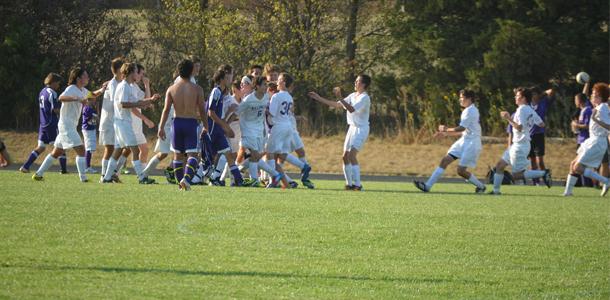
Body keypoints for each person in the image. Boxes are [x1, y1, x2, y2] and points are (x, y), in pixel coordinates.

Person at [33, 67, 107, 182]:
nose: (88, 78)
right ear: (78, 78)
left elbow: (92, 95)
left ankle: (38, 174)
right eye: (85, 76)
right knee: (81, 150)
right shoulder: (72, 88)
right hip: (66, 125)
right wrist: (77, 98)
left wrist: (102, 90)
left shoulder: (82, 90)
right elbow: (61, 97)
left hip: (69, 125)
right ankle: (83, 179)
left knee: (56, 152)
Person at [414, 89, 486, 193]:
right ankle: (427, 186)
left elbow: (461, 128)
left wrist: (445, 129)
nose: (460, 99)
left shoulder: (470, 111)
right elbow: (464, 131)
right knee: (445, 160)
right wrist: (445, 134)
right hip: (464, 141)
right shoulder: (468, 110)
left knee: (461, 171)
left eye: (462, 97)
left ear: (469, 98)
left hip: (472, 143)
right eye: (460, 97)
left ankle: (481, 186)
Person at [308, 74, 372, 191]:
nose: (355, 83)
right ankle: (349, 184)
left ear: (363, 84)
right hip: (352, 128)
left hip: (361, 129)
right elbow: (337, 105)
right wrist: (318, 98)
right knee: (345, 156)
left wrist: (340, 97)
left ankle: (358, 185)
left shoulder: (365, 98)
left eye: (357, 81)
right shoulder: (353, 95)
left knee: (352, 155)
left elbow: (351, 109)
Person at [101, 63, 159, 184]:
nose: (138, 75)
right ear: (131, 72)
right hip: (123, 123)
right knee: (135, 150)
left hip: (121, 122)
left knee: (118, 150)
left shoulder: (129, 86)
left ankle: (106, 178)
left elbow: (135, 101)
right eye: (137, 72)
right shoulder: (124, 86)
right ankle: (142, 178)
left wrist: (150, 99)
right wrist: (140, 104)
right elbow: (124, 104)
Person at [489, 87, 551, 195]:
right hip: (517, 145)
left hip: (520, 145)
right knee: (499, 166)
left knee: (517, 175)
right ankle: (496, 191)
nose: (515, 97)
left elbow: (520, 128)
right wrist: (529, 124)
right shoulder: (530, 109)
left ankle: (543, 173)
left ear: (523, 98)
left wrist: (508, 118)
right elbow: (542, 124)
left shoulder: (522, 110)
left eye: (517, 96)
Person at [158, 59, 206, 190]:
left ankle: (180, 183)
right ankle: (186, 179)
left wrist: (161, 127)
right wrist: (206, 126)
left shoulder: (171, 89)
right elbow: (202, 110)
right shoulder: (197, 89)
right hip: (191, 123)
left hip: (176, 123)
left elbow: (166, 109)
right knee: (193, 154)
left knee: (177, 155)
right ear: (191, 71)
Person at [564, 83, 610, 196]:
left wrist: (595, 119)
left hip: (598, 141)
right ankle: (568, 192)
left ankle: (606, 181)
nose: (592, 96)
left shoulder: (603, 108)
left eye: (594, 94)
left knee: (578, 167)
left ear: (600, 96)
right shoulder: (598, 107)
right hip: (591, 140)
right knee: (573, 164)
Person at [237, 76, 284, 187]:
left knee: (255, 157)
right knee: (254, 155)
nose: (265, 87)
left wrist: (264, 128)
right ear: (257, 86)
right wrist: (226, 124)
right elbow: (237, 112)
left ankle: (239, 171)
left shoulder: (266, 97)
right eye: (263, 84)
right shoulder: (248, 100)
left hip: (259, 131)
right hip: (248, 131)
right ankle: (255, 178)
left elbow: (263, 113)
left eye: (266, 85)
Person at [19, 73, 67, 174]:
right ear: (53, 82)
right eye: (58, 83)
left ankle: (25, 166)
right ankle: (63, 170)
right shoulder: (52, 93)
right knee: (61, 146)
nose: (58, 86)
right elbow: (55, 109)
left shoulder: (42, 91)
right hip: (52, 123)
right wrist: (64, 114)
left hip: (43, 124)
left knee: (41, 147)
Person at [207, 67, 243, 186]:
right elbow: (210, 113)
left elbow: (219, 114)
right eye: (227, 77)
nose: (229, 80)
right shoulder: (216, 91)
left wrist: (225, 126)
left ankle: (238, 180)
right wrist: (225, 126)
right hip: (213, 130)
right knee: (208, 159)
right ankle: (194, 179)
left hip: (218, 130)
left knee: (228, 154)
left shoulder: (221, 93)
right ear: (222, 79)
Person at [98, 57, 124, 181]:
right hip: (109, 122)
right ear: (119, 69)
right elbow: (116, 101)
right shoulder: (113, 83)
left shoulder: (119, 82)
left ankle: (111, 174)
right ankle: (104, 175)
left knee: (117, 149)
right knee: (110, 149)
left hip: (116, 121)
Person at [528, 86, 555, 185]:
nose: (533, 96)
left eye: (535, 94)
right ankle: (536, 183)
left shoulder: (543, 103)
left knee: (540, 161)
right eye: (532, 94)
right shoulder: (527, 105)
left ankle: (546, 179)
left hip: (539, 135)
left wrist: (541, 94)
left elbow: (551, 91)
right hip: (529, 136)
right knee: (532, 161)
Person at [130, 64, 155, 164]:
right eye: (141, 74)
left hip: (137, 126)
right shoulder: (129, 87)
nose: (142, 76)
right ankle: (112, 173)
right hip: (130, 125)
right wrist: (146, 119)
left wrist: (147, 86)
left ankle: (142, 175)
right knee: (125, 151)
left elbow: (146, 102)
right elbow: (132, 107)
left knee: (144, 150)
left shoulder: (135, 87)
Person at [571, 93, 593, 187]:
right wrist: (576, 128)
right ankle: (580, 184)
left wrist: (577, 125)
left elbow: (588, 126)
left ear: (579, 101)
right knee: (577, 164)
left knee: (580, 164)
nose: (575, 102)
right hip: (581, 140)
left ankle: (587, 185)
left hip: (585, 141)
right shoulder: (582, 110)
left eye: (575, 100)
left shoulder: (587, 110)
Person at [81, 98, 98, 173]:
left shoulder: (91, 108)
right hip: (88, 129)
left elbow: (96, 118)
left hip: (91, 129)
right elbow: (91, 120)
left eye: (93, 99)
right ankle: (87, 167)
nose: (93, 100)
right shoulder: (87, 108)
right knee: (89, 148)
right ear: (87, 100)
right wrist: (96, 117)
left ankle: (87, 166)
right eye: (91, 99)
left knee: (90, 148)